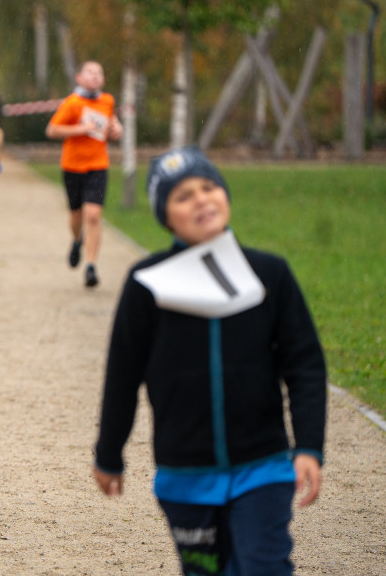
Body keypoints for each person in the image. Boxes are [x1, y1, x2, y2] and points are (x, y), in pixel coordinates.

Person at [93, 147, 327, 576]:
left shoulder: (269, 273)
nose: (201, 199)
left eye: (209, 187)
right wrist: (109, 453)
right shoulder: (147, 283)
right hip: (185, 475)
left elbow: (305, 364)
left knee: (263, 567)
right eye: (183, 195)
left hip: (264, 467)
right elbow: (123, 374)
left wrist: (309, 444)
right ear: (165, 216)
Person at [45, 60, 123, 287]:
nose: (95, 76)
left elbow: (112, 124)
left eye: (99, 72)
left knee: (93, 215)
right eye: (90, 72)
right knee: (76, 215)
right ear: (79, 77)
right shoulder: (72, 103)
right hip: (72, 166)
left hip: (98, 165)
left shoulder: (107, 101)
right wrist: (81, 129)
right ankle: (77, 239)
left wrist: (118, 130)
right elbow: (52, 130)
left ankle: (91, 266)